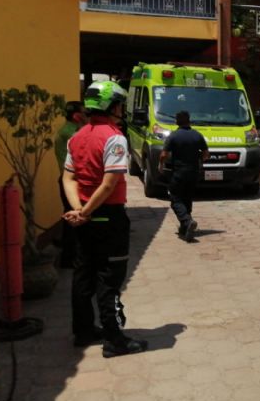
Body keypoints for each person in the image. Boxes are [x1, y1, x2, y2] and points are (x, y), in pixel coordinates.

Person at [62, 81, 148, 358]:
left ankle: (83, 330)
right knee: (109, 279)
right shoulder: (114, 137)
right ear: (112, 107)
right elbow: (109, 183)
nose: (122, 109)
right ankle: (114, 339)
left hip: (84, 215)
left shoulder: (76, 137)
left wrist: (78, 211)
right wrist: (86, 214)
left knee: (83, 274)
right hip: (107, 217)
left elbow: (68, 177)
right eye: (120, 104)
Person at [159, 111, 209, 242]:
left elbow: (164, 154)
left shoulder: (173, 136)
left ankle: (187, 221)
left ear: (177, 121)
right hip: (193, 173)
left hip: (179, 173)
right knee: (187, 198)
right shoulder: (197, 135)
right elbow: (205, 154)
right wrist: (200, 160)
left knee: (175, 199)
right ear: (189, 121)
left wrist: (161, 164)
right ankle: (185, 227)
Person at [54, 100, 87, 267]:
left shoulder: (68, 129)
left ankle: (69, 255)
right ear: (76, 116)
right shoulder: (72, 134)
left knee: (71, 217)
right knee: (74, 219)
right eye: (85, 113)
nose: (88, 116)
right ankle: (68, 258)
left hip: (69, 180)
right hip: (71, 182)